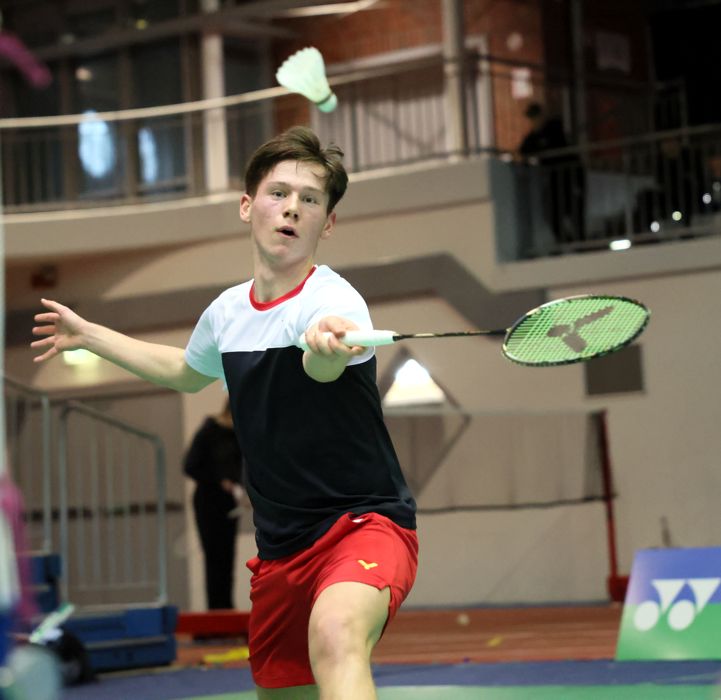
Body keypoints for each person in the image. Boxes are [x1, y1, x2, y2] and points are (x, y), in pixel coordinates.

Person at [31, 126, 418, 700]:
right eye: (278, 193)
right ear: (247, 205)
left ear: (327, 223)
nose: (292, 208)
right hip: (282, 547)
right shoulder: (226, 313)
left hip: (363, 523)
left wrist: (325, 346)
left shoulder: (336, 302)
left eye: (310, 199)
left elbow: (323, 369)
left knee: (337, 634)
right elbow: (187, 372)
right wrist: (90, 335)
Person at [184, 400, 246, 610]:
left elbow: (240, 468)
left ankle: (226, 610)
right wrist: (221, 480)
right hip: (208, 501)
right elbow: (190, 466)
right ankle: (215, 613)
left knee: (228, 558)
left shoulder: (238, 435)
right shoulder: (210, 429)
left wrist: (241, 488)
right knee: (214, 557)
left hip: (229, 503)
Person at [519, 102, 586, 244]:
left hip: (570, 177)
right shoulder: (534, 137)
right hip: (555, 180)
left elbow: (556, 143)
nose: (534, 121)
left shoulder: (553, 129)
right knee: (554, 214)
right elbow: (524, 150)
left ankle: (580, 241)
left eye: (536, 117)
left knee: (575, 212)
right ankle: (565, 241)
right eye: (532, 118)